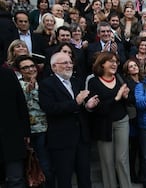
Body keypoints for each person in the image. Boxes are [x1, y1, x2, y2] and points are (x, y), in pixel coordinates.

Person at [38, 52, 93, 188]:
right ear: (54, 66)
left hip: (81, 137)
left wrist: (88, 105)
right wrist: (76, 102)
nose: (69, 66)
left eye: (70, 62)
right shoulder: (46, 84)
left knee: (85, 176)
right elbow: (50, 108)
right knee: (64, 178)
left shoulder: (75, 81)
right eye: (65, 63)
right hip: (61, 139)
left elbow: (81, 105)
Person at [86, 52, 132, 188]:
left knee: (121, 159)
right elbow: (99, 108)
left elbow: (130, 101)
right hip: (102, 124)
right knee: (107, 161)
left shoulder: (120, 78)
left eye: (116, 61)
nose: (114, 64)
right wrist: (116, 98)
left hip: (122, 121)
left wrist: (126, 96)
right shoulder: (93, 81)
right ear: (101, 64)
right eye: (110, 61)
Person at [15, 55, 54, 188]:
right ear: (19, 70)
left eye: (32, 66)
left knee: (47, 166)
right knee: (35, 167)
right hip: (29, 132)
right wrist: (30, 91)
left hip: (47, 128)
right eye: (25, 67)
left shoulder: (44, 83)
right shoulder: (17, 85)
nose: (30, 69)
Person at [0, 58, 30, 188]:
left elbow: (21, 104)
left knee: (16, 179)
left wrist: (26, 132)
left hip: (11, 137)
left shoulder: (7, 74)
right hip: (12, 137)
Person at [122, 59, 141, 183]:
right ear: (127, 70)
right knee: (133, 148)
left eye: (135, 65)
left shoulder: (144, 80)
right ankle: (132, 174)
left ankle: (140, 173)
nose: (134, 68)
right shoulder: (126, 82)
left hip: (144, 116)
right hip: (133, 118)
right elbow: (127, 99)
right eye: (131, 67)